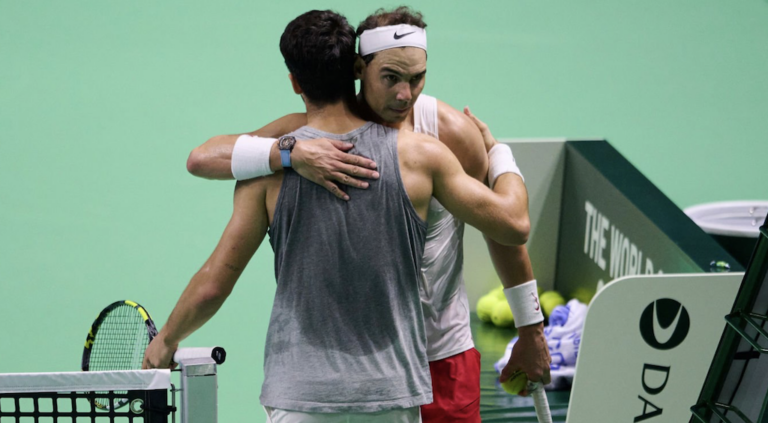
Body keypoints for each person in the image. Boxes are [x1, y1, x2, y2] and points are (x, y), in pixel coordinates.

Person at [144, 9, 531, 423]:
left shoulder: (268, 166)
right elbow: (515, 223)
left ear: (295, 82)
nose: (405, 94)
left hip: (304, 397)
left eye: (416, 78)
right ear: (357, 69)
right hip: (393, 394)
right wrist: (499, 153)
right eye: (392, 78)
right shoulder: (424, 158)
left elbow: (212, 283)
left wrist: (166, 340)